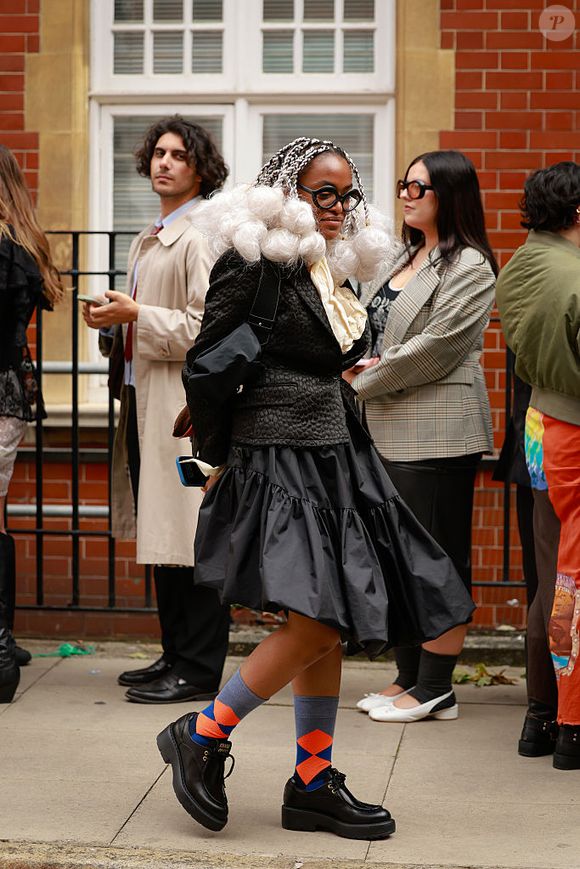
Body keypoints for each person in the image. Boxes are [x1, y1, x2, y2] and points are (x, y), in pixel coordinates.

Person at [156, 137, 475, 839]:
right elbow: (209, 360)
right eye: (322, 192)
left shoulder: (328, 268)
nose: (337, 207)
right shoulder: (255, 262)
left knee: (328, 621)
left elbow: (338, 357)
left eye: (346, 193)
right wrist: (216, 455)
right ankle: (204, 732)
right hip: (279, 457)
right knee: (320, 618)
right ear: (285, 192)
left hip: (334, 453)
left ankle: (311, 779)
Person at [83, 116, 230, 704]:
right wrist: (111, 325)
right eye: (158, 153)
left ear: (200, 168)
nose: (163, 163)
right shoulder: (155, 233)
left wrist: (136, 318)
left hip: (184, 414)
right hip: (147, 405)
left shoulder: (198, 236)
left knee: (191, 535)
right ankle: (174, 654)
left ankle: (198, 669)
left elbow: (209, 328)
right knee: (164, 535)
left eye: (178, 155)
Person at [351, 150, 497, 723]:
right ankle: (409, 678)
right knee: (397, 558)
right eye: (403, 184)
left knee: (436, 560)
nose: (406, 195)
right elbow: (371, 329)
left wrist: (358, 379)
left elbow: (437, 349)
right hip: (385, 428)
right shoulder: (404, 256)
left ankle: (436, 686)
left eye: (420, 187)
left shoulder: (471, 266)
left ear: (451, 195)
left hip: (437, 433)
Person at [495, 161, 580, 770]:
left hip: (536, 425)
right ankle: (570, 724)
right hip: (572, 424)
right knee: (572, 580)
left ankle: (539, 716)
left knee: (550, 572)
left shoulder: (523, 261)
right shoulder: (574, 274)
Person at [0, 144, 63, 700]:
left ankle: (0, 649)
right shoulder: (21, 242)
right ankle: (5, 641)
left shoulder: (4, 246)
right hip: (10, 391)